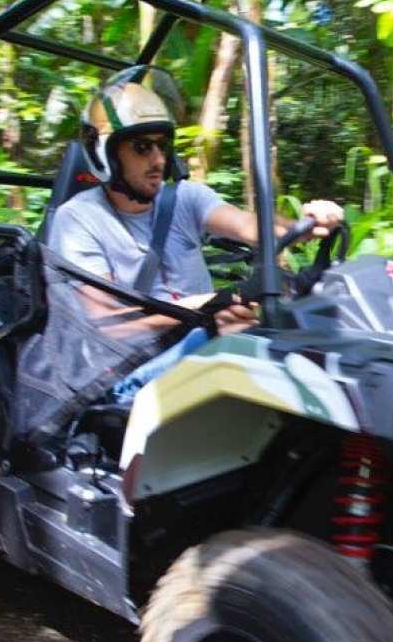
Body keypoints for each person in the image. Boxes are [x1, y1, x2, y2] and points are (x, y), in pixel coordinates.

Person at [48, 66, 344, 398]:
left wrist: (305, 225)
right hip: (128, 369)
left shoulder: (184, 197)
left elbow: (251, 226)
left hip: (203, 344)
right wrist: (210, 309)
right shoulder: (78, 219)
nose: (158, 159)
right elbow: (108, 325)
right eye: (143, 147)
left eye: (163, 146)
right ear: (106, 154)